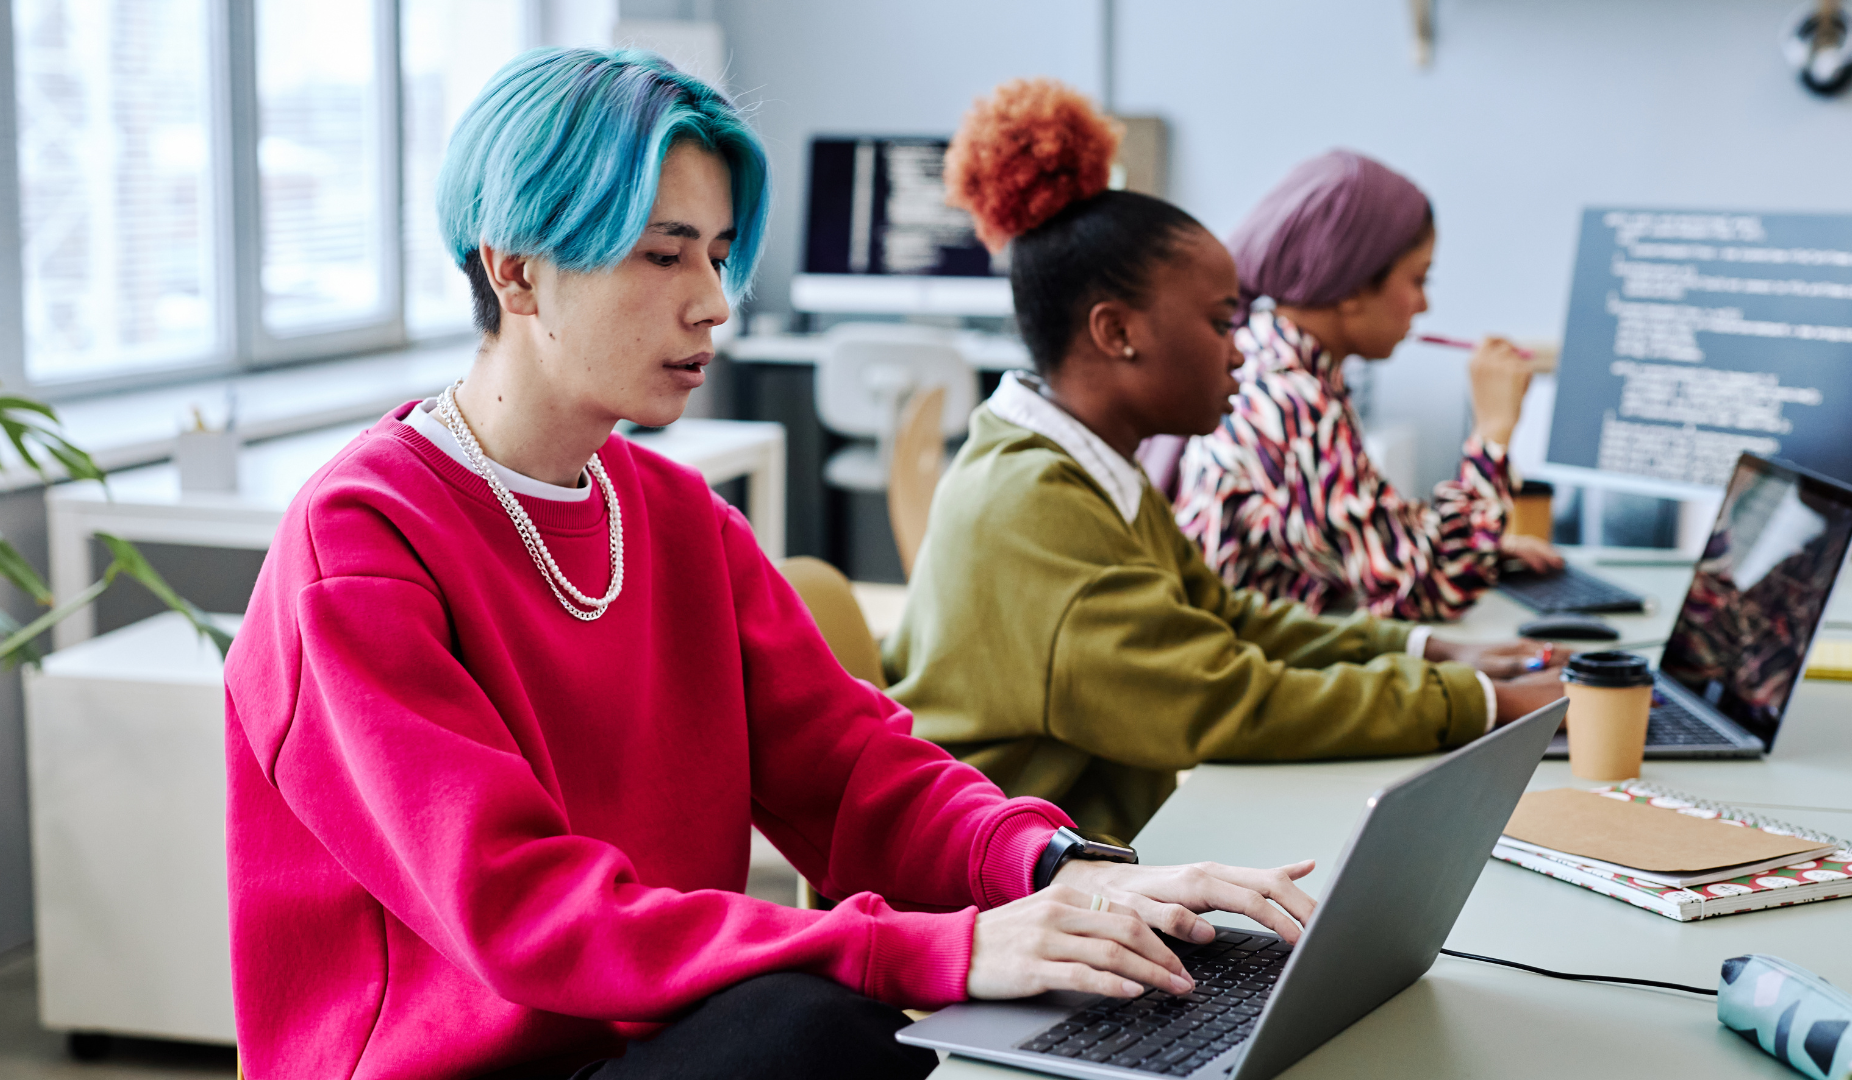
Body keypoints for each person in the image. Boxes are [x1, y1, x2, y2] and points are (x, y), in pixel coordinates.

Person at [223, 49, 1322, 1080]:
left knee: (1018, 1001)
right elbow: (523, 915)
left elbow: (853, 773)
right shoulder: (361, 542)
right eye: (663, 253)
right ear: (516, 272)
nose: (714, 299)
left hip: (650, 1036)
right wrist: (940, 949)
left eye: (715, 250)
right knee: (822, 1020)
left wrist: (1058, 871)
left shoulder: (673, 516)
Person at [883, 80, 1564, 841]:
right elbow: (1224, 701)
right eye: (1220, 322)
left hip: (1090, 850)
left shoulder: (1085, 463)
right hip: (998, 895)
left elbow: (1226, 619)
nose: (1243, 349)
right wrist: (1478, 702)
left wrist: (1432, 650)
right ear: (1116, 333)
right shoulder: (1035, 505)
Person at [1160, 149, 1563, 622]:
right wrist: (1493, 430)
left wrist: (1483, 546)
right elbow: (1430, 591)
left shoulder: (1276, 360)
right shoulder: (1292, 400)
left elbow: (1360, 532)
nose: (1423, 305)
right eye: (1418, 279)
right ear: (1351, 288)